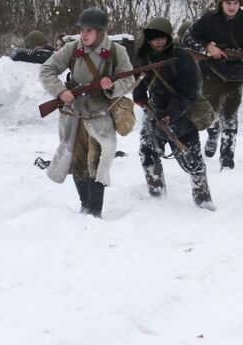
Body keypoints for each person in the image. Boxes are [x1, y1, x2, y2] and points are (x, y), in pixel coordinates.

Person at [39, 8, 134, 218]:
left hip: (101, 111)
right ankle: (85, 206)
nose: (84, 34)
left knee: (98, 160)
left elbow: (128, 81)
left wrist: (111, 87)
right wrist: (61, 91)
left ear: (100, 32)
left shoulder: (117, 51)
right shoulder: (73, 48)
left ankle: (95, 211)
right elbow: (46, 70)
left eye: (89, 30)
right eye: (82, 30)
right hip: (74, 113)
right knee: (77, 159)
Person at [133, 18, 215, 210]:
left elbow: (190, 92)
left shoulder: (182, 56)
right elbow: (139, 80)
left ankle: (203, 201)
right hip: (154, 112)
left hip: (182, 113)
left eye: (163, 37)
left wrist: (172, 114)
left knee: (192, 161)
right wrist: (139, 96)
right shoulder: (143, 56)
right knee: (147, 152)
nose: (159, 42)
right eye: (155, 38)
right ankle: (157, 196)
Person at [183, 0, 243, 169]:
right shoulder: (209, 19)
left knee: (230, 115)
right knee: (211, 112)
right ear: (221, 4)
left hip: (237, 75)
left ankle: (227, 159)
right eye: (228, 3)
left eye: (235, 3)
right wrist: (208, 47)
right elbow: (187, 38)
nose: (231, 7)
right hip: (211, 72)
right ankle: (213, 134)